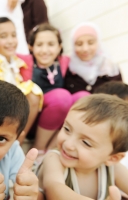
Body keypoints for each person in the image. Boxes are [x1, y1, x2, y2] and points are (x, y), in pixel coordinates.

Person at [36, 94, 128, 200]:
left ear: (112, 158)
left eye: (86, 143)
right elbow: (54, 190)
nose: (68, 144)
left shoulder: (113, 169)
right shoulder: (54, 159)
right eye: (67, 129)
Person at [0, 17, 43, 143]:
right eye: (4, 36)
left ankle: (17, 139)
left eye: (13, 35)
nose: (10, 41)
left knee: (33, 93)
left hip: (13, 111)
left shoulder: (17, 62)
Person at [25, 23, 89, 159]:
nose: (45, 50)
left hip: (59, 117)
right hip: (35, 117)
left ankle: (54, 148)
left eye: (51, 44)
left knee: (84, 97)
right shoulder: (26, 61)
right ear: (31, 46)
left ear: (59, 47)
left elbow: (90, 59)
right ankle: (38, 148)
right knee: (61, 96)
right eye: (39, 44)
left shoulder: (64, 62)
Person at [64, 22, 122, 94]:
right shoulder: (68, 70)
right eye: (79, 44)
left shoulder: (110, 69)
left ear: (98, 43)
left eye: (91, 43)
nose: (85, 49)